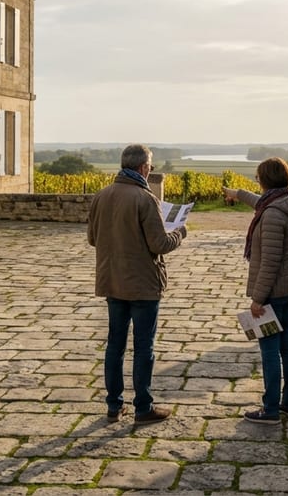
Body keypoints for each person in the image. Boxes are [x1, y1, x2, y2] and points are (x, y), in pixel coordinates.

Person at [88, 144, 187, 427]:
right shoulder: (145, 199)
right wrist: (180, 232)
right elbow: (160, 244)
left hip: (112, 281)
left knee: (114, 346)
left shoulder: (102, 196)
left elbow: (93, 238)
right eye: (151, 167)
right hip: (143, 284)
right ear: (143, 168)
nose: (151, 170)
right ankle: (143, 407)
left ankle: (113, 405)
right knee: (144, 347)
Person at [223, 157, 288, 424]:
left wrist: (258, 300)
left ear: (267, 181)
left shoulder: (270, 214)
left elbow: (270, 261)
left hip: (274, 292)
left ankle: (270, 409)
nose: (256, 184)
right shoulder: (285, 202)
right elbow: (258, 202)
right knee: (287, 345)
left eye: (257, 179)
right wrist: (237, 193)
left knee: (270, 350)